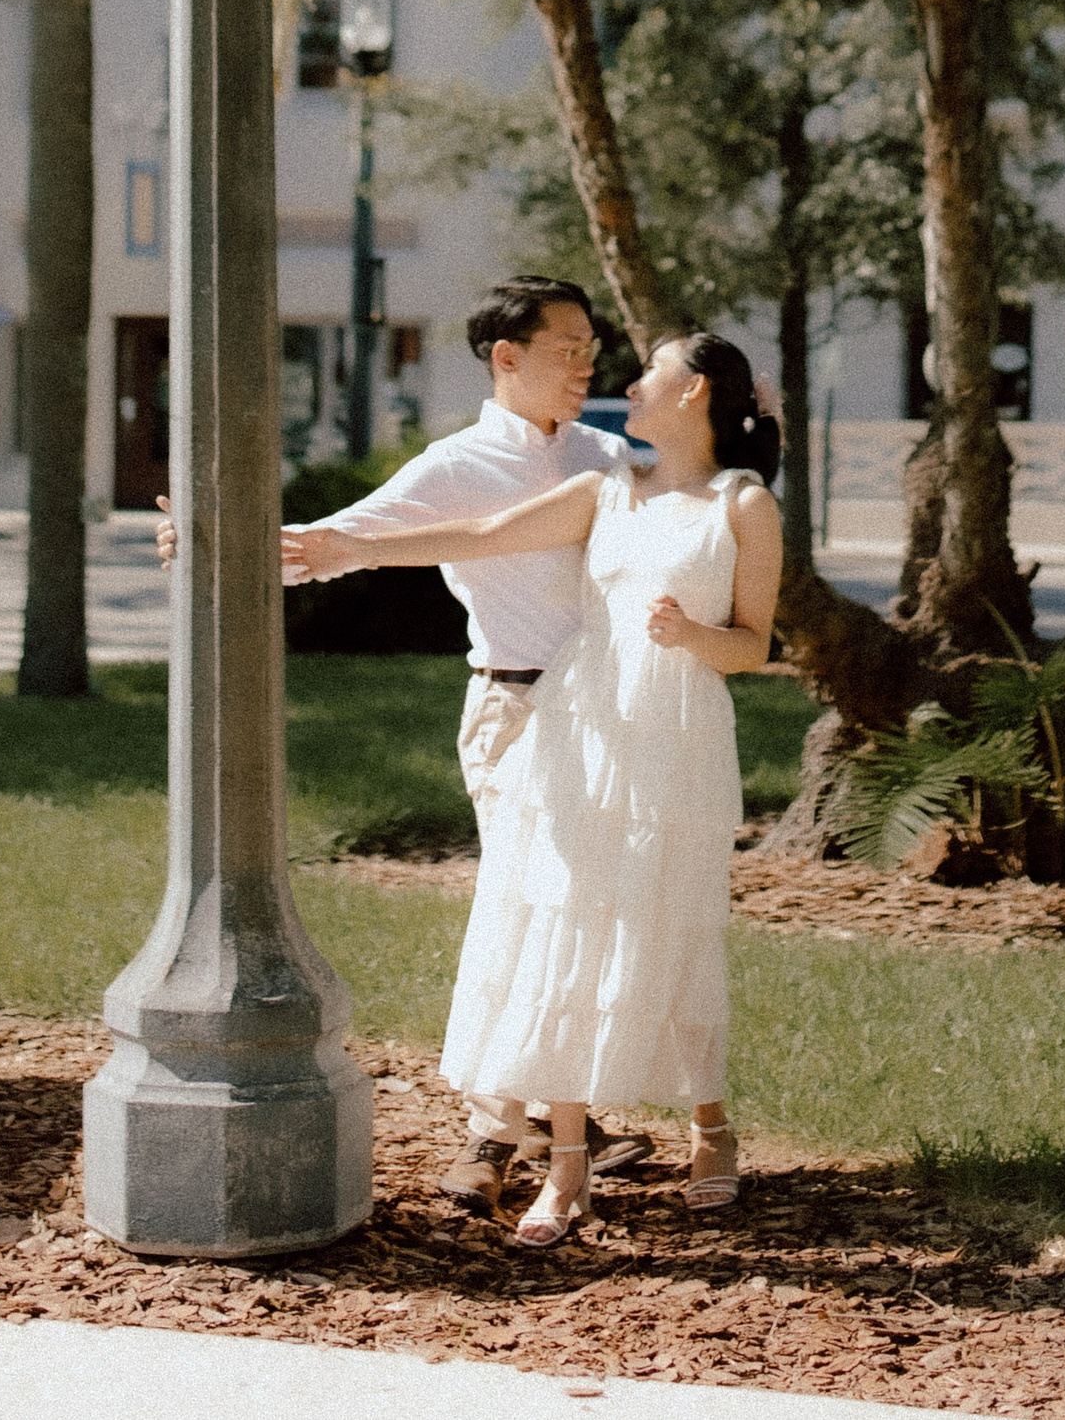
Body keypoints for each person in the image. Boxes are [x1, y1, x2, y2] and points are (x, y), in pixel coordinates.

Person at [282, 329, 785, 1251]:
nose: (629, 382)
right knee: (562, 925)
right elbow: (476, 534)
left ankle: (711, 1124)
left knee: (667, 918)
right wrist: (334, 547)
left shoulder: (743, 504)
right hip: (578, 728)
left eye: (650, 371)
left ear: (697, 392)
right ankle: (567, 1167)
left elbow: (754, 643)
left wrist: (691, 637)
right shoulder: (605, 488)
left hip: (675, 738)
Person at [159, 275, 635, 1216]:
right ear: (507, 356)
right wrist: (210, 542)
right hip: (513, 713)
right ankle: (497, 1128)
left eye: (591, 347)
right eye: (567, 346)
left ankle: (559, 1116)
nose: (586, 364)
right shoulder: (454, 465)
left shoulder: (610, 457)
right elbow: (332, 542)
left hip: (608, 724)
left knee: (582, 919)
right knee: (522, 910)